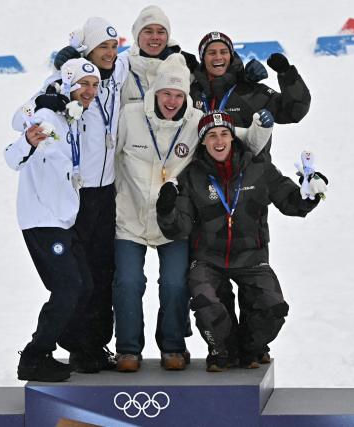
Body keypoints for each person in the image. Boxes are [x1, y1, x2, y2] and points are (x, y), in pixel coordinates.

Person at [113, 55, 273, 372]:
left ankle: (173, 345)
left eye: (178, 94)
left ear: (186, 95)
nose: (172, 101)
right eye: (165, 93)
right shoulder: (129, 117)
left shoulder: (197, 120)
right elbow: (102, 152)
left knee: (174, 283)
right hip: (129, 219)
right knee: (129, 282)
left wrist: (260, 126)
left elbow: (240, 141)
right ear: (154, 93)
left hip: (174, 221)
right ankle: (127, 349)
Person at [155, 110, 327, 372]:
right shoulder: (193, 176)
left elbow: (292, 202)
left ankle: (251, 346)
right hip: (208, 260)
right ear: (202, 142)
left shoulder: (259, 169)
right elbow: (179, 229)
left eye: (224, 134)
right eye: (211, 136)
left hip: (251, 258)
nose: (218, 141)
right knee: (206, 303)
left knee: (273, 308)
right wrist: (166, 209)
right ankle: (222, 348)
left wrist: (309, 194)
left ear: (233, 138)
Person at [188, 31, 312, 365]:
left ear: (231, 55)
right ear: (201, 57)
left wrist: (285, 74)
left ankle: (251, 345)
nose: (217, 57)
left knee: (257, 287)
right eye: (210, 52)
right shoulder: (190, 89)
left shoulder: (250, 90)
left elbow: (295, 109)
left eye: (223, 51)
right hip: (203, 188)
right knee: (213, 296)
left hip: (250, 185)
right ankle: (223, 348)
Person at [15, 17, 129, 373]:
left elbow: (150, 46)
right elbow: (21, 120)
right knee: (75, 279)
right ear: (87, 50)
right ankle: (74, 343)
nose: (109, 54)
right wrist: (50, 91)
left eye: (113, 47)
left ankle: (94, 345)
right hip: (75, 196)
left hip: (105, 191)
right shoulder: (63, 81)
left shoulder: (118, 74)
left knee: (101, 272)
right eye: (102, 48)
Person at [5, 58, 102, 382]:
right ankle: (34, 357)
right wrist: (27, 141)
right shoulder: (46, 115)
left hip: (62, 219)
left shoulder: (70, 118)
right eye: (83, 84)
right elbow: (11, 157)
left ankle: (71, 343)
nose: (89, 91)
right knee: (68, 286)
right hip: (41, 217)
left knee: (84, 284)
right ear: (69, 84)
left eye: (94, 85)